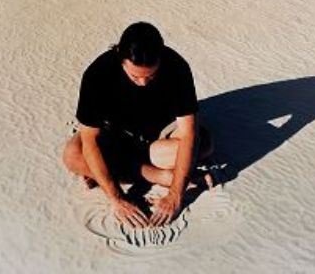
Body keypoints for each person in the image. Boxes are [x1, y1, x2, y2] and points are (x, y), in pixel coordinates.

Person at [63, 22, 212, 228]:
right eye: (135, 76)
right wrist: (117, 199)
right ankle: (158, 175)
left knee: (204, 145)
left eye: (150, 76)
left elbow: (188, 135)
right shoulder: (97, 74)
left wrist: (175, 195)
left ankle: (114, 172)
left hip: (161, 137)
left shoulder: (177, 67)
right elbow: (90, 140)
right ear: (120, 58)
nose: (143, 83)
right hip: (117, 136)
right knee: (73, 155)